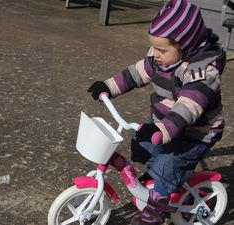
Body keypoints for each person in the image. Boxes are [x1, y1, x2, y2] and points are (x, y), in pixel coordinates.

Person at [87, 0, 226, 224]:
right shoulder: (159, 59)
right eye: (154, 47)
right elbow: (136, 73)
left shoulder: (202, 72)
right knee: (140, 140)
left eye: (162, 49)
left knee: (168, 164)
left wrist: (163, 128)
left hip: (196, 132)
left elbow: (189, 106)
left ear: (186, 45)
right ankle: (159, 180)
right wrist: (109, 86)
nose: (155, 54)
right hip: (164, 121)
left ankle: (156, 209)